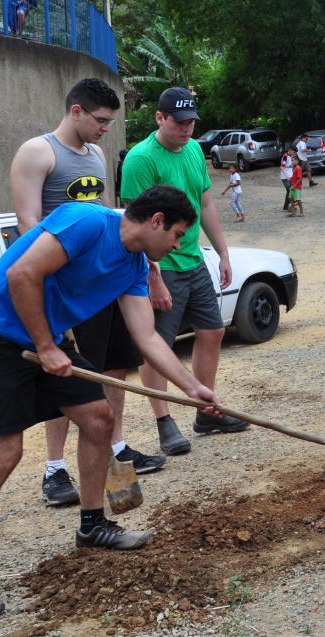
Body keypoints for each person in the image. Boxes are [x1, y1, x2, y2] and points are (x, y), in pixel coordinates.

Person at [0, 188, 221, 623]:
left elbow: (147, 337)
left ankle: (93, 524)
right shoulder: (86, 222)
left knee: (99, 418)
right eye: (176, 235)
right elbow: (22, 274)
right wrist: (45, 347)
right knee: (4, 452)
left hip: (49, 337)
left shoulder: (135, 266)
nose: (176, 246)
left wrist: (192, 386)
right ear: (156, 220)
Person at [9, 78, 166, 508]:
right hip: (67, 288)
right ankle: (55, 469)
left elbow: (117, 220)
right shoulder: (37, 153)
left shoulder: (96, 154)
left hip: (106, 281)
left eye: (110, 122)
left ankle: (115, 445)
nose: (105, 130)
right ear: (75, 111)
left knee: (115, 367)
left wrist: (147, 268)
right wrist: (60, 291)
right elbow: (28, 227)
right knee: (69, 374)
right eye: (100, 120)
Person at [120, 87, 248, 455]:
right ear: (160, 119)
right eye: (179, 122)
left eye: (191, 121)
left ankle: (205, 411)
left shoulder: (193, 150)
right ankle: (163, 421)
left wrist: (222, 252)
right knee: (156, 346)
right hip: (162, 265)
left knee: (213, 331)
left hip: (192, 259)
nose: (187, 129)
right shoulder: (141, 159)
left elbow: (206, 202)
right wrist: (153, 275)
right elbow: (136, 222)